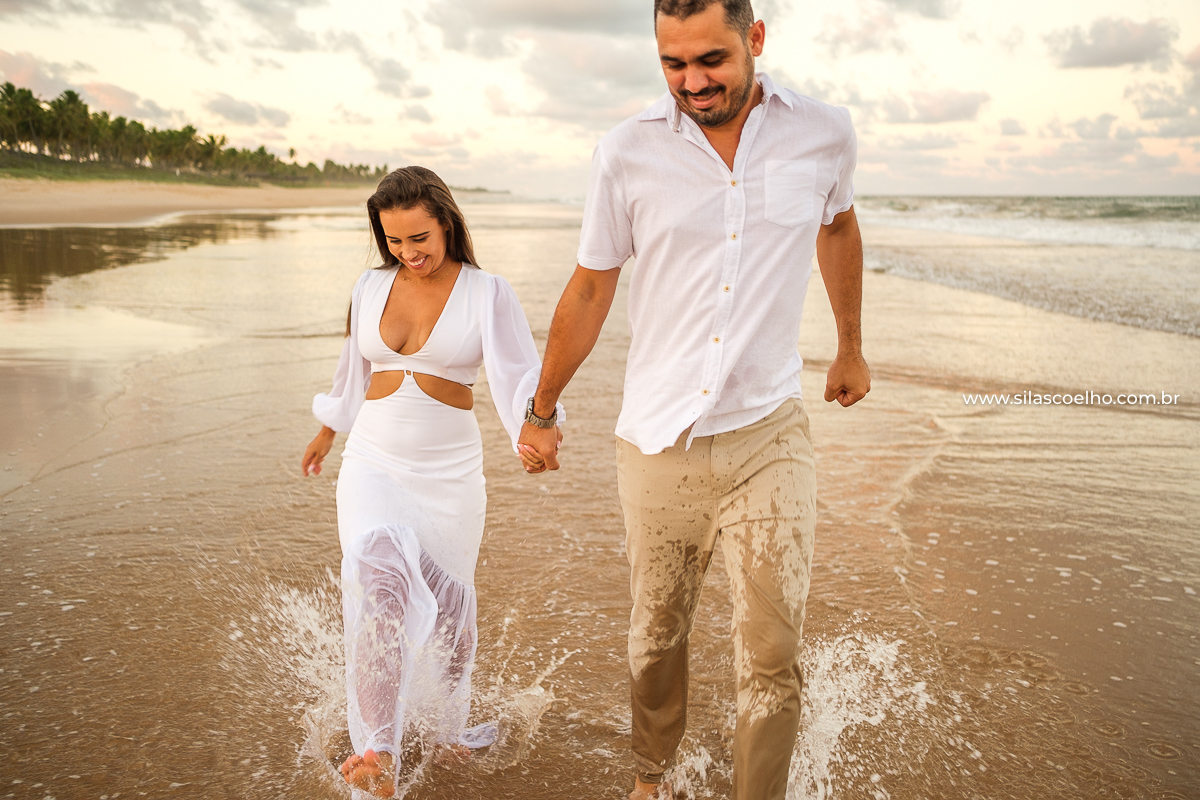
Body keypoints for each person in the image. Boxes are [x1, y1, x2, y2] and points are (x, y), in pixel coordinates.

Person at [515, 1, 870, 798]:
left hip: (769, 431)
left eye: (710, 60)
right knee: (656, 639)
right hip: (656, 442)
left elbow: (838, 226)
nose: (692, 82)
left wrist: (850, 345)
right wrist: (542, 410)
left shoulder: (824, 132)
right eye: (673, 64)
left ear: (756, 39)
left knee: (772, 652)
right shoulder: (626, 153)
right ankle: (653, 771)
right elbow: (592, 286)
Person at [302, 166, 561, 798]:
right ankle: (378, 751)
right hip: (372, 461)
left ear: (445, 221)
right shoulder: (370, 287)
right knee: (381, 578)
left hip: (448, 472)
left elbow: (516, 371)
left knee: (449, 611)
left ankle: (447, 730)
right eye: (394, 241)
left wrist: (533, 433)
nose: (408, 254)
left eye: (419, 237)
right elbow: (352, 370)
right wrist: (328, 430)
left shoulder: (485, 291)